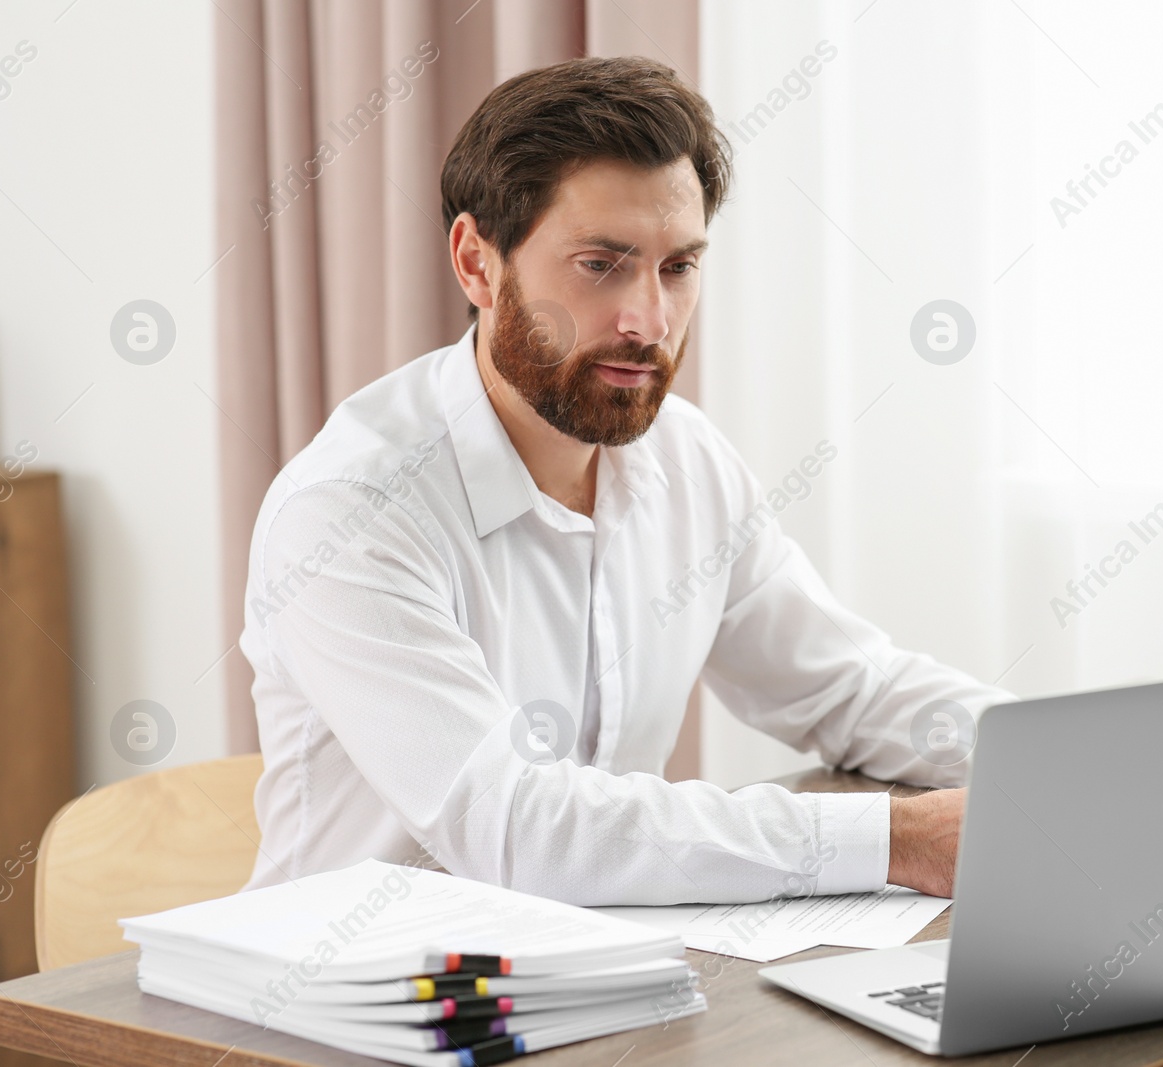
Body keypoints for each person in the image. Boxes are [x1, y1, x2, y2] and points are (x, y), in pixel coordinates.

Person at [240, 55, 1013, 905]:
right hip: (357, 1010)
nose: (649, 320)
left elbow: (849, 690)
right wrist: (899, 839)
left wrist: (1064, 768)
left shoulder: (686, 459)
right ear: (476, 263)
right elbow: (524, 832)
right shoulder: (349, 512)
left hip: (600, 984)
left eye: (677, 268)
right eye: (601, 264)